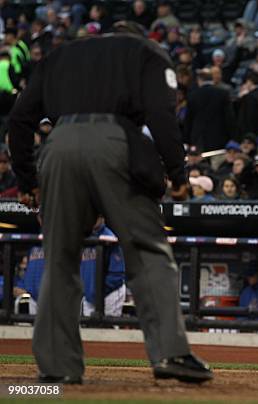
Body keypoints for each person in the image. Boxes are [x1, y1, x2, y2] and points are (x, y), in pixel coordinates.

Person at [8, 23, 212, 384]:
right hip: (114, 141)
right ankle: (170, 354)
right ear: (137, 35)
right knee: (147, 247)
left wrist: (27, 182)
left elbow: (20, 119)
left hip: (59, 144)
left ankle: (57, 368)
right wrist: (178, 175)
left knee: (59, 257)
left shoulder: (62, 54)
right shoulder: (145, 51)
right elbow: (161, 115)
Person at [79, 218, 126, 317]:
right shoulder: (83, 237)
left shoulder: (110, 237)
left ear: (102, 217)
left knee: (108, 330)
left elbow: (117, 275)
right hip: (89, 297)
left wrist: (98, 291)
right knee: (89, 330)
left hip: (109, 295)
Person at [184, 68, 236, 152]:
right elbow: (230, 118)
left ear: (199, 80)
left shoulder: (192, 95)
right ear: (212, 79)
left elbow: (188, 120)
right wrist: (233, 137)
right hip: (219, 138)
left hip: (199, 139)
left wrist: (186, 140)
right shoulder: (223, 94)